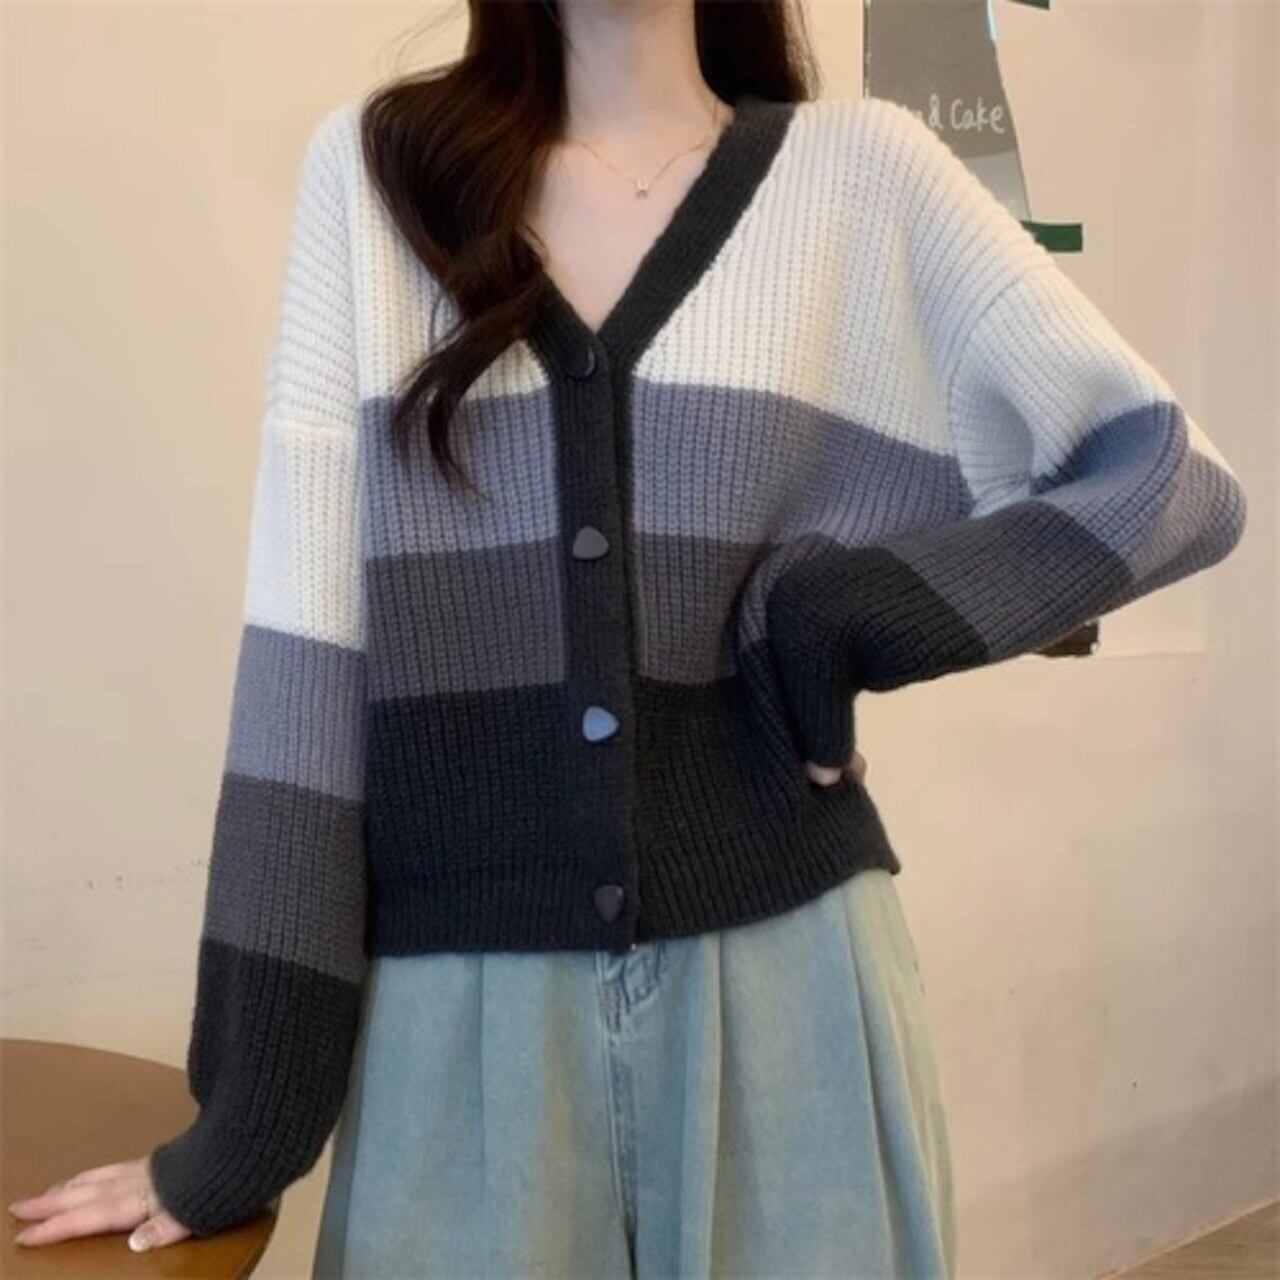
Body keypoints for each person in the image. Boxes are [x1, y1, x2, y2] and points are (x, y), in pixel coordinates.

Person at [8, 0, 1247, 1274]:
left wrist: (843, 615)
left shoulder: (860, 173)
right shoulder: (382, 175)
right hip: (461, 1016)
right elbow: (307, 652)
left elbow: (1168, 480)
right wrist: (245, 1120)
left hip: (788, 998)